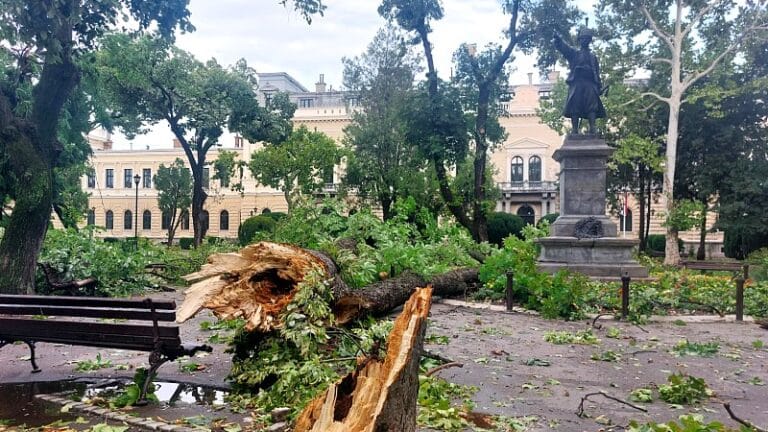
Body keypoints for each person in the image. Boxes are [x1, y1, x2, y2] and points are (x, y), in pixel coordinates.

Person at [553, 27, 606, 135]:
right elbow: (565, 48)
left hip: (590, 83)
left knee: (592, 106)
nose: (584, 40)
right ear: (579, 40)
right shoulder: (574, 54)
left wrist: (599, 86)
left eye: (587, 38)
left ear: (589, 41)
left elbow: (597, 73)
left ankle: (593, 128)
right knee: (575, 106)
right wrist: (559, 40)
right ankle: (575, 130)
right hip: (577, 83)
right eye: (582, 38)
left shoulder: (593, 57)